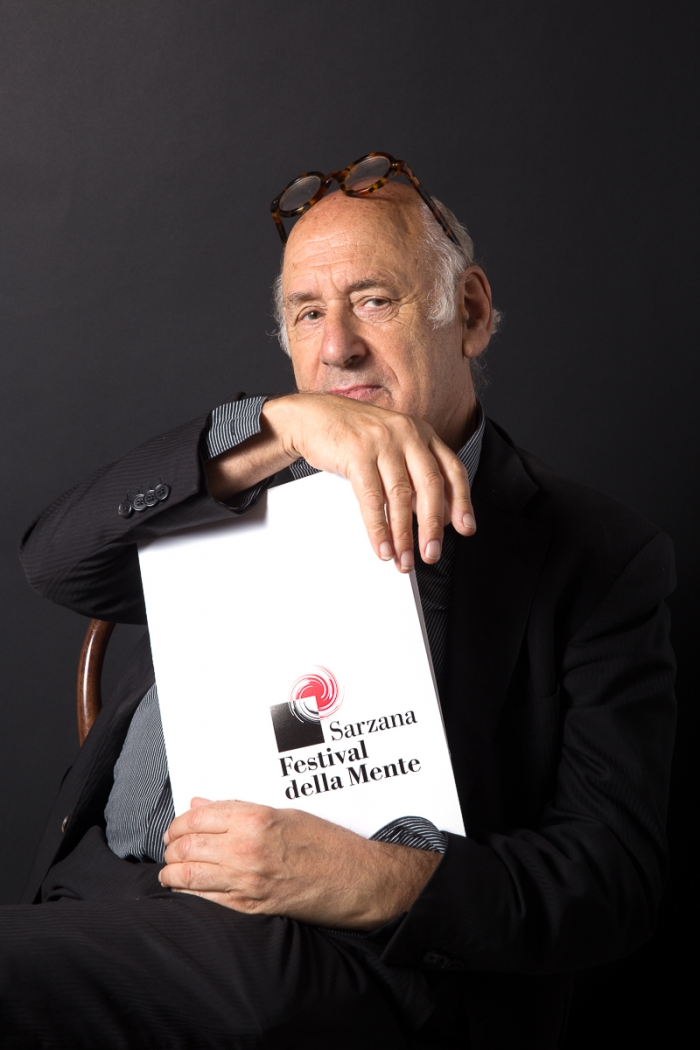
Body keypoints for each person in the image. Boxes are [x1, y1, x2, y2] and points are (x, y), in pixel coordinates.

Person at [9, 154, 676, 1049]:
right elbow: (57, 564)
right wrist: (275, 430)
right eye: (307, 312)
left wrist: (369, 879)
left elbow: (612, 880)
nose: (337, 349)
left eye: (373, 300)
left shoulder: (599, 555)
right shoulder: (239, 478)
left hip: (326, 953)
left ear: (471, 312)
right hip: (95, 900)